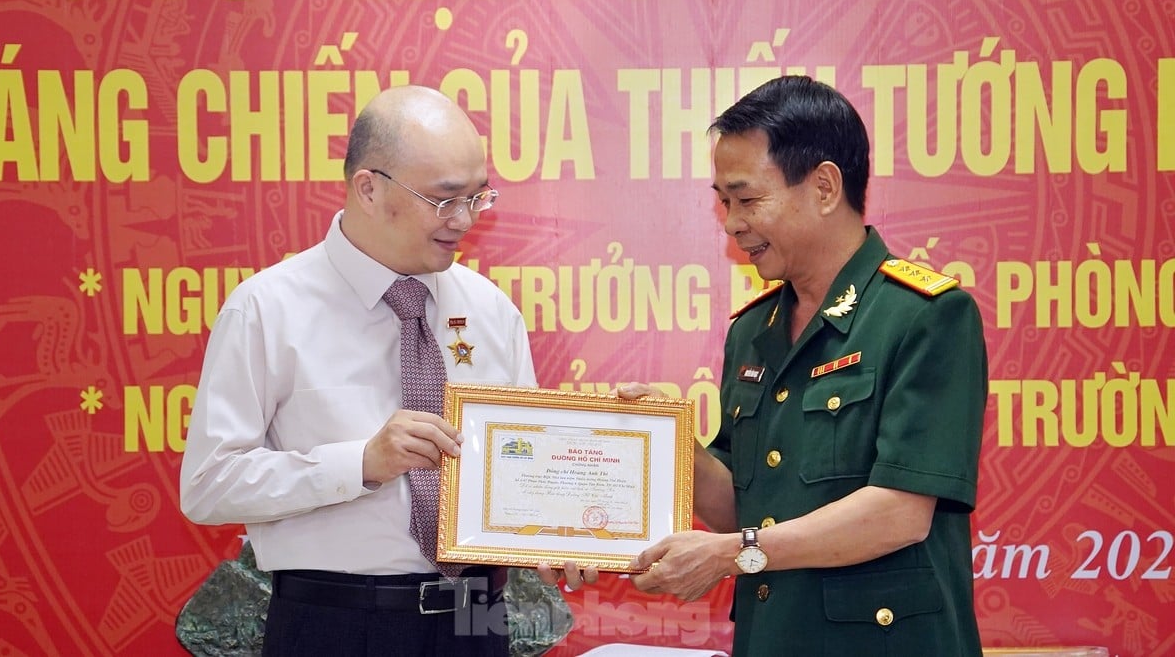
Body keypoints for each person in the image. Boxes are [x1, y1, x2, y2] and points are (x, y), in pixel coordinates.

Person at [180, 85, 592, 657]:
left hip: (478, 613)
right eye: (446, 199)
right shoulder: (267, 309)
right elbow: (208, 486)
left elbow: (522, 469)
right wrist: (360, 464)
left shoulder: (490, 309)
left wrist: (549, 532)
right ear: (368, 188)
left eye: (478, 197)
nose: (465, 219)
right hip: (338, 619)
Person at [624, 76, 988, 655]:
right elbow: (746, 506)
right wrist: (670, 444)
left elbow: (900, 512)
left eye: (747, 199)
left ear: (823, 187)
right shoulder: (752, 333)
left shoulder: (926, 316)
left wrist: (733, 553)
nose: (731, 222)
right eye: (724, 202)